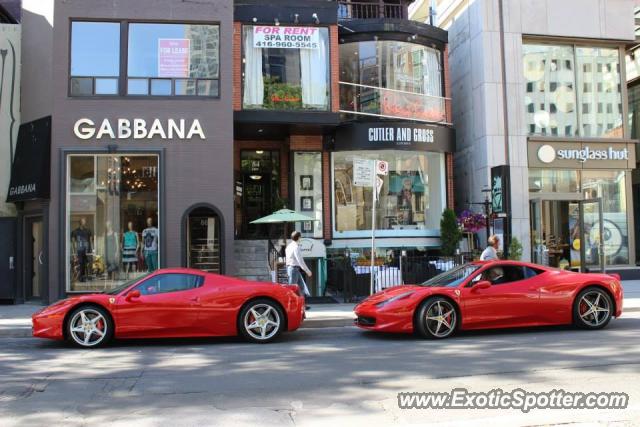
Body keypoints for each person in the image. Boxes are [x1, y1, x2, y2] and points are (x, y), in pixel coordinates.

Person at [285, 231, 311, 306]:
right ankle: (290, 305)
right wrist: (307, 270)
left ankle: (302, 305)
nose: (301, 238)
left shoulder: (289, 246)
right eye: (301, 237)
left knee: (301, 287)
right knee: (292, 289)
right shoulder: (296, 247)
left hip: (292, 268)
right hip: (294, 269)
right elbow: (300, 260)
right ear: (299, 237)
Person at [71, 217, 93, 282]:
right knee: (80, 264)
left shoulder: (88, 231)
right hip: (79, 251)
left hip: (87, 251)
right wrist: (74, 252)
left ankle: (88, 277)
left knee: (88, 264)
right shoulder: (75, 231)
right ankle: (81, 278)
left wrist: (92, 250)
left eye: (85, 221)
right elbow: (73, 243)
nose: (84, 222)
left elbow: (91, 241)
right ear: (80, 222)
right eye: (83, 221)